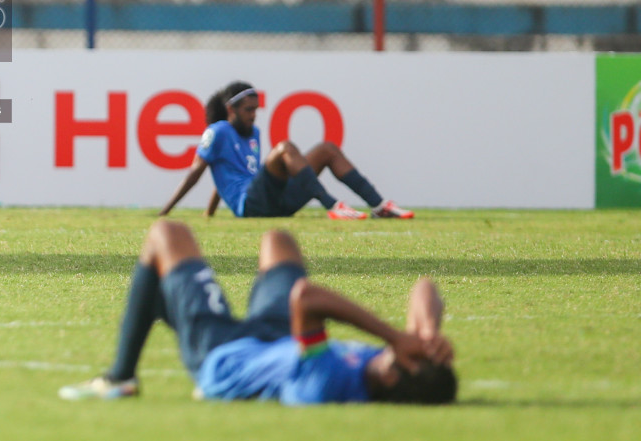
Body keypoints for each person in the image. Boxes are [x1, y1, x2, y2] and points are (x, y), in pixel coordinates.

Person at [59, 220, 455, 405]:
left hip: (223, 354)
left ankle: (120, 377)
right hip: (279, 336)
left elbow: (306, 297)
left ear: (393, 372)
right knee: (277, 241)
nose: (410, 350)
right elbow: (425, 288)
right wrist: (428, 332)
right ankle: (164, 303)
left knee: (167, 235)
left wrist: (394, 337)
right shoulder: (389, 368)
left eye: (413, 356)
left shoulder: (323, 385)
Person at [159, 81, 414, 220]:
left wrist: (210, 213)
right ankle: (332, 206)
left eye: (256, 109)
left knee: (327, 149)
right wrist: (166, 210)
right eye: (248, 110)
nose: (254, 115)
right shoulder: (217, 132)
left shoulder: (253, 134)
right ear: (231, 110)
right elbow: (197, 172)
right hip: (251, 205)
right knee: (285, 149)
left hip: (275, 203)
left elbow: (227, 173)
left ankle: (380, 206)